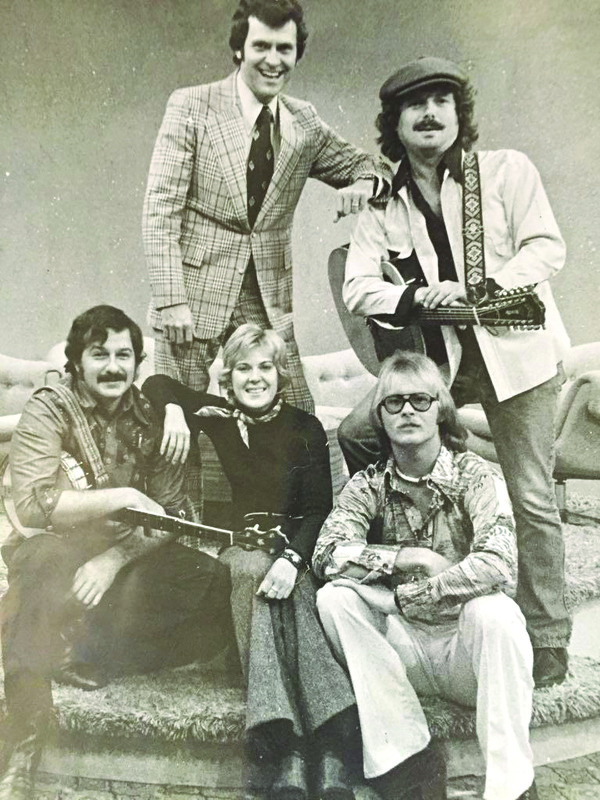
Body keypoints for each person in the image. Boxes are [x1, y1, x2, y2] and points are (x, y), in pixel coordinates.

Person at [336, 56, 571, 689]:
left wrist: (478, 288)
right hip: (445, 360)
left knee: (530, 495)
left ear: (459, 114)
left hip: (516, 354)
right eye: (415, 105)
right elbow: (358, 286)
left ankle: (547, 635)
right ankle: (418, 567)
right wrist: (414, 301)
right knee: (359, 434)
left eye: (442, 100)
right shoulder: (386, 201)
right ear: (396, 124)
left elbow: (547, 247)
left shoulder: (504, 170)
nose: (431, 113)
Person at [0, 306, 233, 800]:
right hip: (54, 550)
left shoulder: (149, 416)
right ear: (77, 361)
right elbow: (35, 505)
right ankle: (23, 744)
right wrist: (123, 498)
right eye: (99, 354)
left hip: (121, 560)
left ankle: (80, 645)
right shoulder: (50, 406)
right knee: (39, 570)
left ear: (137, 361)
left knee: (213, 587)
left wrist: (113, 561)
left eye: (123, 355)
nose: (112, 367)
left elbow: (171, 511)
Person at [143, 323, 360, 800]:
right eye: (243, 367)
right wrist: (177, 410)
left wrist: (292, 559)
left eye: (265, 367)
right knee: (245, 570)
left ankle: (293, 746)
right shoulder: (218, 416)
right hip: (243, 542)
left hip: (299, 540)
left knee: (292, 586)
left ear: (281, 374)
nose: (255, 378)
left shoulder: (305, 426)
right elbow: (155, 384)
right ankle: (319, 744)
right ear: (228, 375)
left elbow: (320, 507)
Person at [142, 0, 387, 414]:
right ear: (239, 49)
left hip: (268, 299)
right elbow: (160, 211)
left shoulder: (303, 122)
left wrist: (365, 182)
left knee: (298, 423)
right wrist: (171, 302)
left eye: (284, 49)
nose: (273, 60)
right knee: (177, 424)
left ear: (296, 54)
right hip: (191, 300)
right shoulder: (192, 106)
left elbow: (370, 165)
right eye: (261, 46)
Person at [313, 351, 538, 800]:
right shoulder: (368, 484)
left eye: (420, 399)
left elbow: (498, 565)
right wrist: (406, 558)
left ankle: (512, 786)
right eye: (393, 402)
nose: (408, 410)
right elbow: (327, 552)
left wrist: (401, 599)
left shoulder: (476, 475)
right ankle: (405, 761)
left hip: (467, 655)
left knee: (496, 612)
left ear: (441, 409)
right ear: (379, 416)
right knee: (334, 599)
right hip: (404, 654)